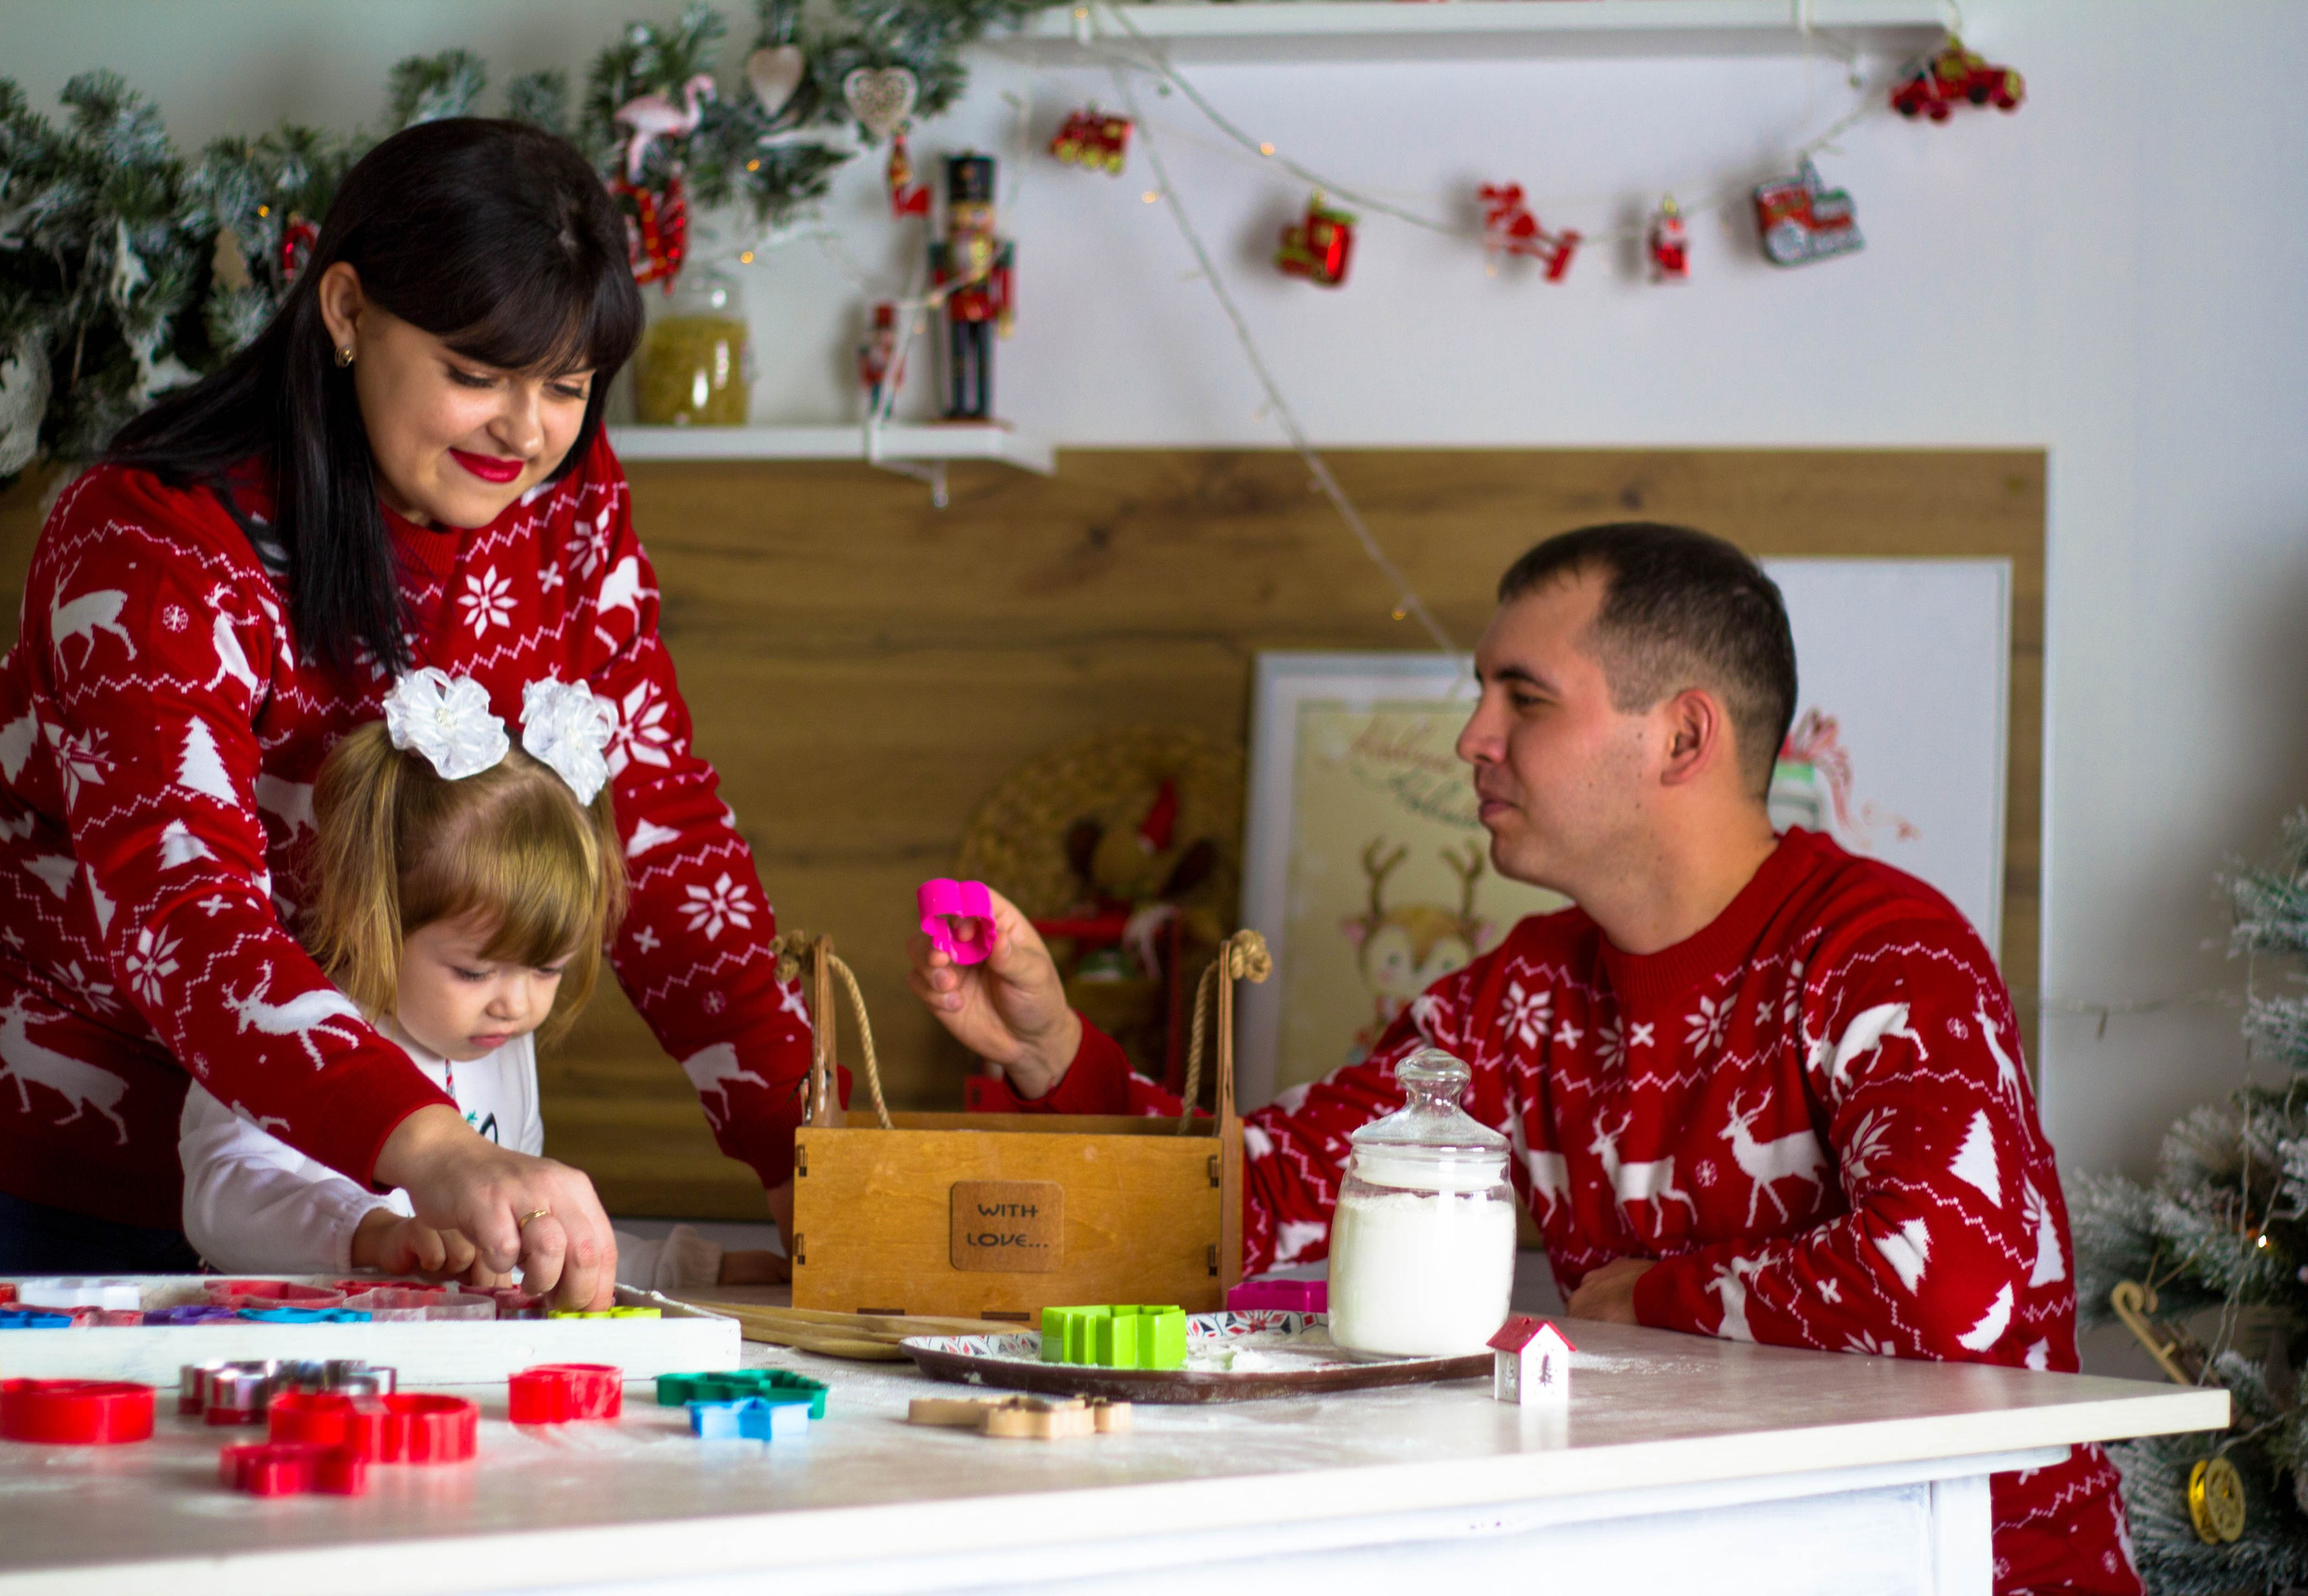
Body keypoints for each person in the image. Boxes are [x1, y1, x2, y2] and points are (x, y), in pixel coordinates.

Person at [908, 524, 2140, 1596]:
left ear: (1680, 738)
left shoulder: (1886, 954)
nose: (1471, 737)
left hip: (1961, 1565)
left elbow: (1951, 1288)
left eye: (1524, 696)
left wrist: (1645, 1297)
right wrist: (1054, 1051)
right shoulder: (1524, 993)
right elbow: (1257, 1203)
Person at [0, 120, 811, 1304]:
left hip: (353, 1191)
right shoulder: (152, 536)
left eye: (567, 387)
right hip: (33, 1157)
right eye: (476, 375)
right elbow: (180, 903)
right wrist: (437, 1149)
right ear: (345, 311)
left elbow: (659, 827)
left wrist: (810, 1163)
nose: (525, 431)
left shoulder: (566, 504)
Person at [178, 672, 748, 1291]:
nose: (516, 1003)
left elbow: (528, 1235)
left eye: (548, 968)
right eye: (474, 971)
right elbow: (222, 1195)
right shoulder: (290, 1022)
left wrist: (683, 1271)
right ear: (378, 914)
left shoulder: (499, 1045)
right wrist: (370, 1232)